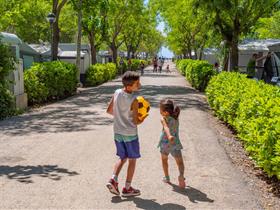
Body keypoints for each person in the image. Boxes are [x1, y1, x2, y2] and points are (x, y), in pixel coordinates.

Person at [106, 71, 145, 197]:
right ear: (129, 86)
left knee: (122, 157)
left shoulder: (117, 92)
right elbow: (135, 121)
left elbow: (109, 110)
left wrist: (121, 117)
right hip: (130, 133)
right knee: (132, 160)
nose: (139, 84)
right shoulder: (134, 100)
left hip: (117, 132)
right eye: (137, 83)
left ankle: (113, 179)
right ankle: (127, 188)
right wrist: (143, 117)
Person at [158, 99, 186, 188]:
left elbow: (166, 127)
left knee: (164, 160)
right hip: (175, 143)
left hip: (165, 143)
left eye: (160, 110)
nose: (160, 112)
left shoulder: (163, 118)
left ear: (165, 112)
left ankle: (167, 177)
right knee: (180, 162)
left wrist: (169, 136)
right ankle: (181, 175)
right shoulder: (176, 117)